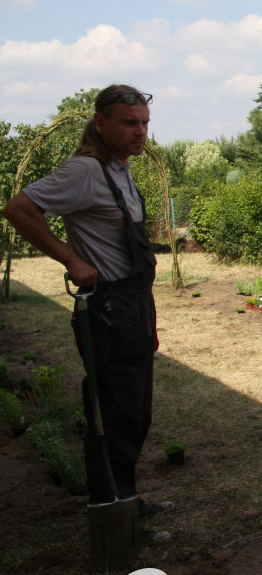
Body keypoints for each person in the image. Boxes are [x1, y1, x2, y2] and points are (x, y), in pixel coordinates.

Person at [2, 85, 173, 546]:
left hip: (134, 306)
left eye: (144, 123)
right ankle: (115, 525)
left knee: (135, 415)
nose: (140, 132)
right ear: (101, 123)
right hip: (110, 311)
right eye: (128, 123)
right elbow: (18, 209)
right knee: (113, 418)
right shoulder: (85, 171)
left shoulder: (120, 169)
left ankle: (128, 501)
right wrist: (69, 259)